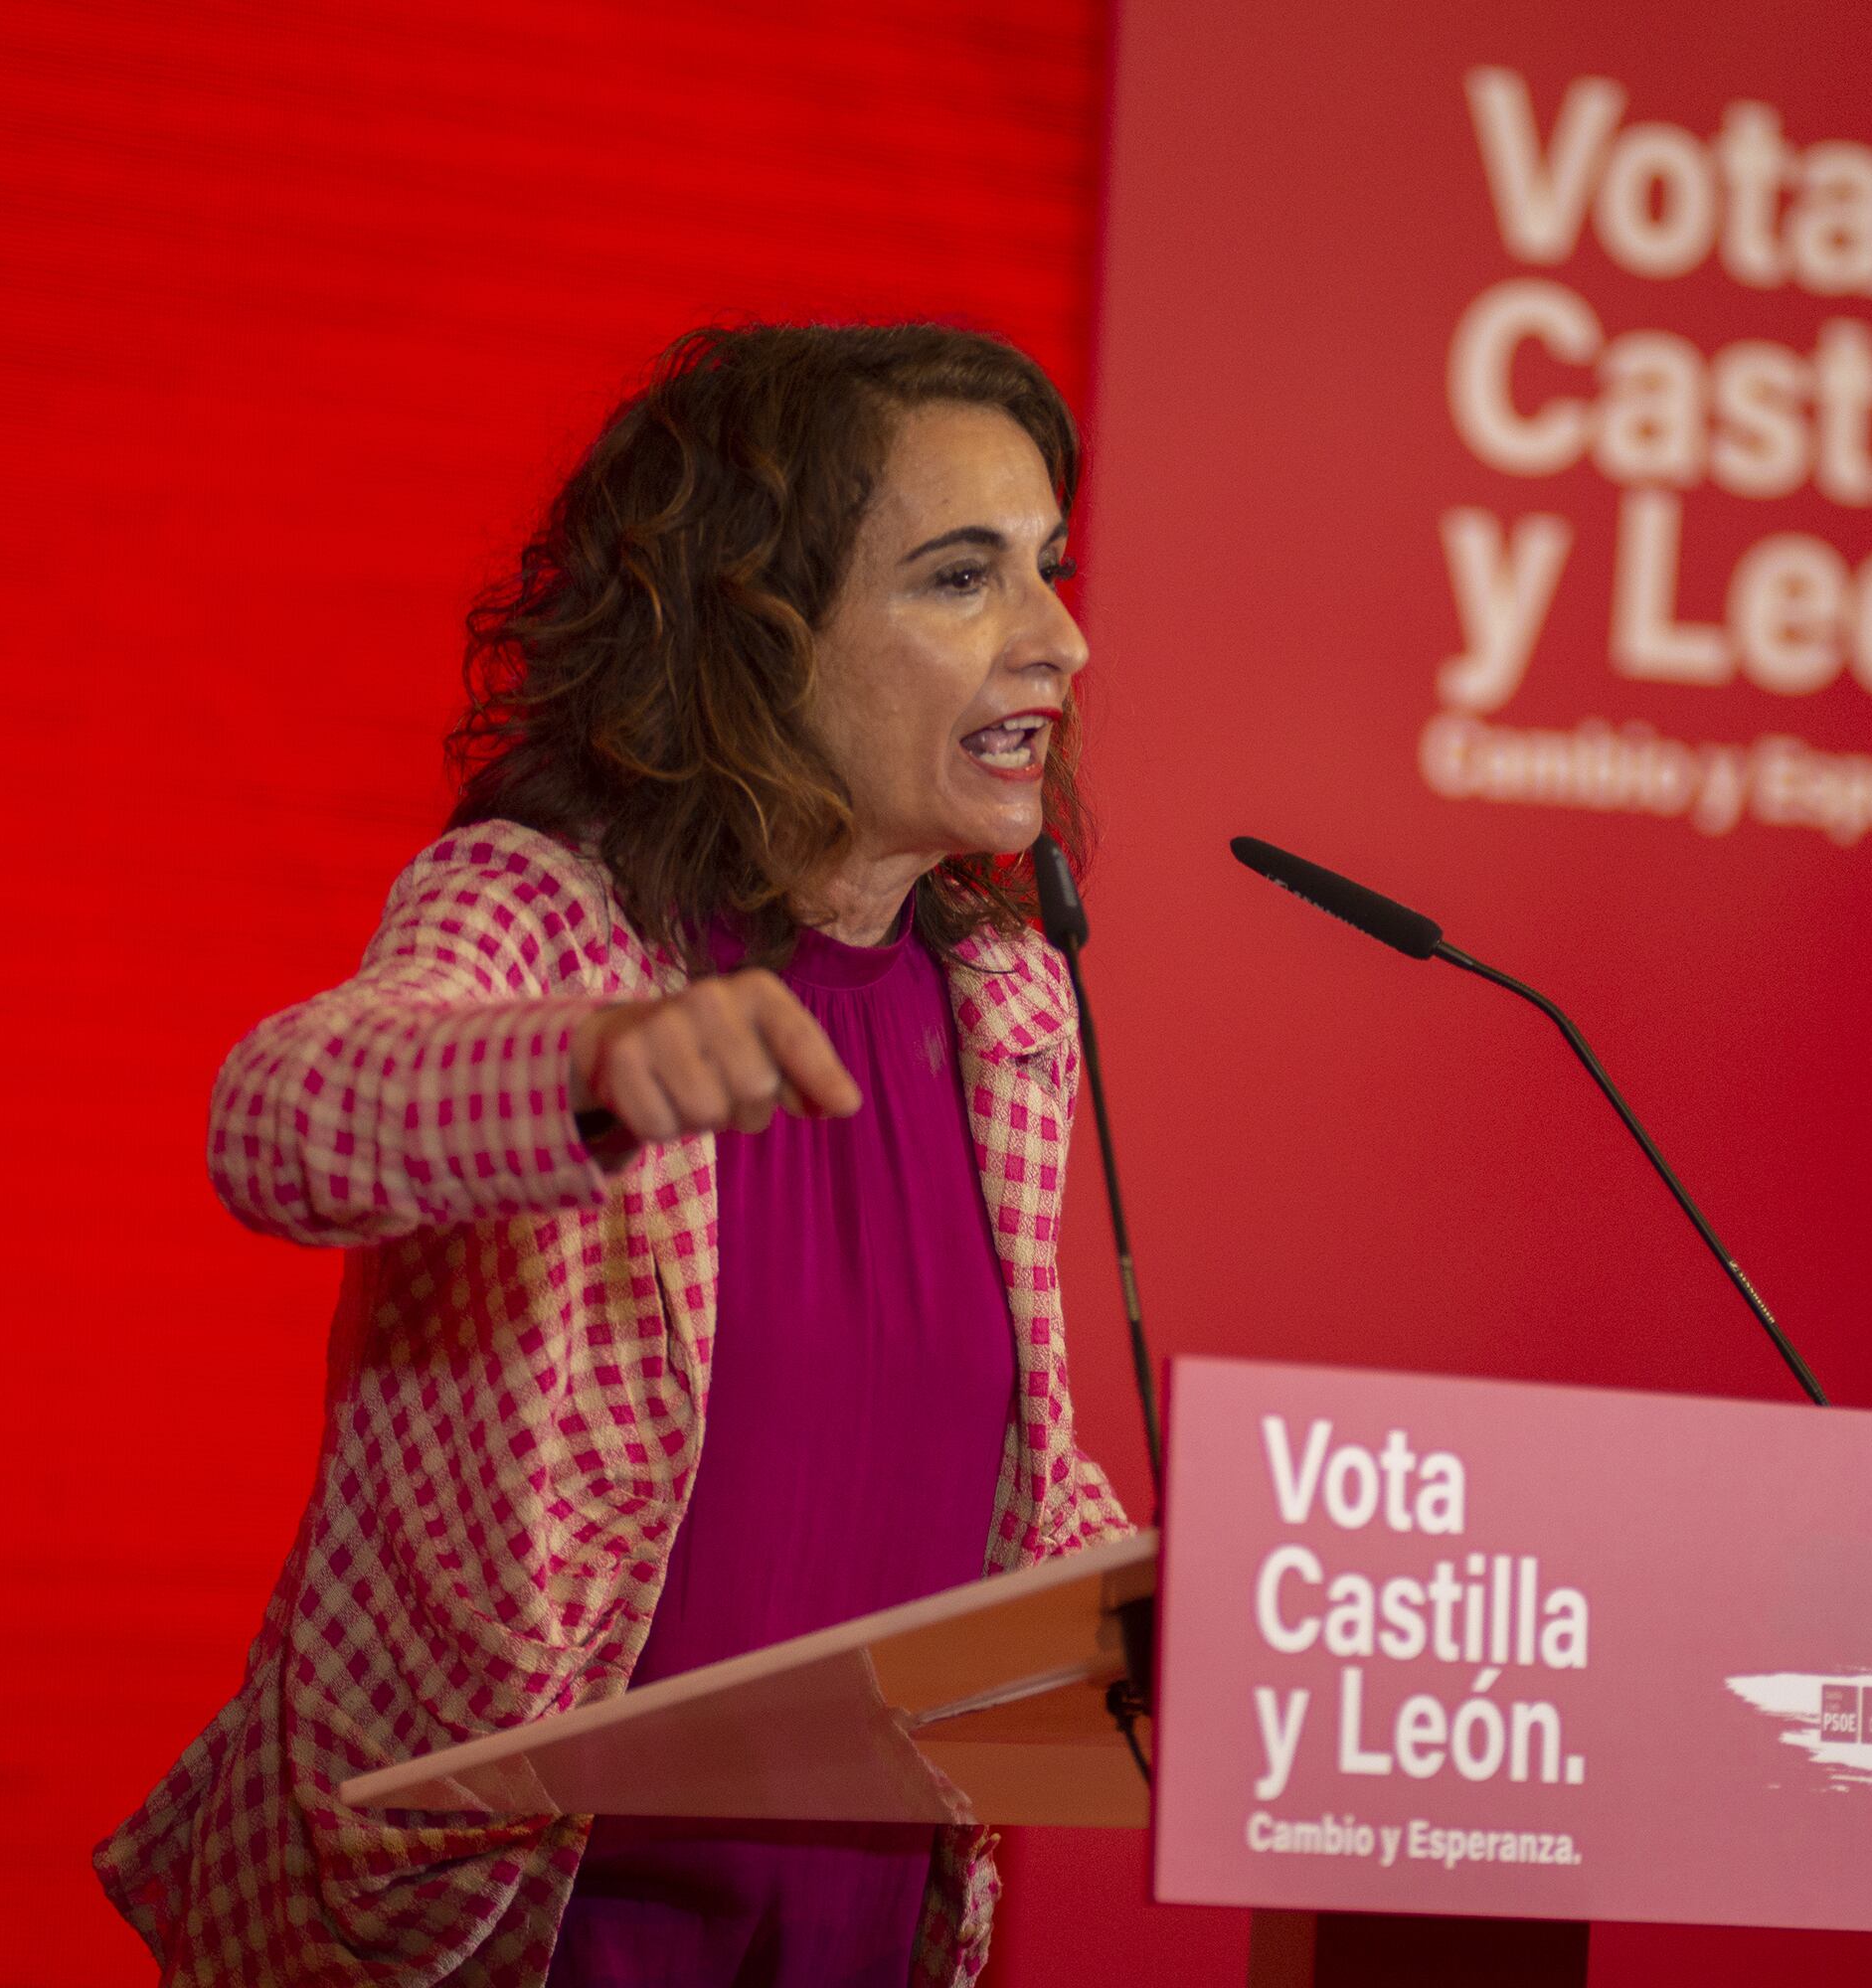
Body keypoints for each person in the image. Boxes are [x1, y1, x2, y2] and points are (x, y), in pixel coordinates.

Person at [93, 323, 1132, 1988]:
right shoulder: (548, 917)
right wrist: (587, 1064)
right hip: (516, 1925)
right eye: (962, 578)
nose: (1059, 639)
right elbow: (279, 1116)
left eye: (1048, 569)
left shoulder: (1008, 1004)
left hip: (859, 1930)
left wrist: (1215, 1614)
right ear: (755, 628)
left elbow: (970, 1469)